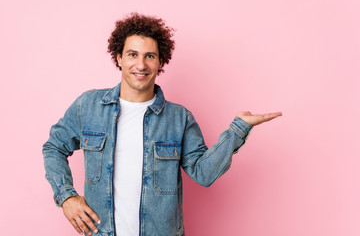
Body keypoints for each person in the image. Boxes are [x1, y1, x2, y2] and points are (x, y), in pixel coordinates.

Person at [43, 12, 282, 236]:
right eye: (132, 54)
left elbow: (203, 173)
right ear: (119, 57)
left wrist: (238, 128)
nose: (141, 65)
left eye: (150, 56)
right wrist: (67, 197)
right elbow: (54, 147)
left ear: (160, 62)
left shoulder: (179, 118)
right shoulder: (88, 106)